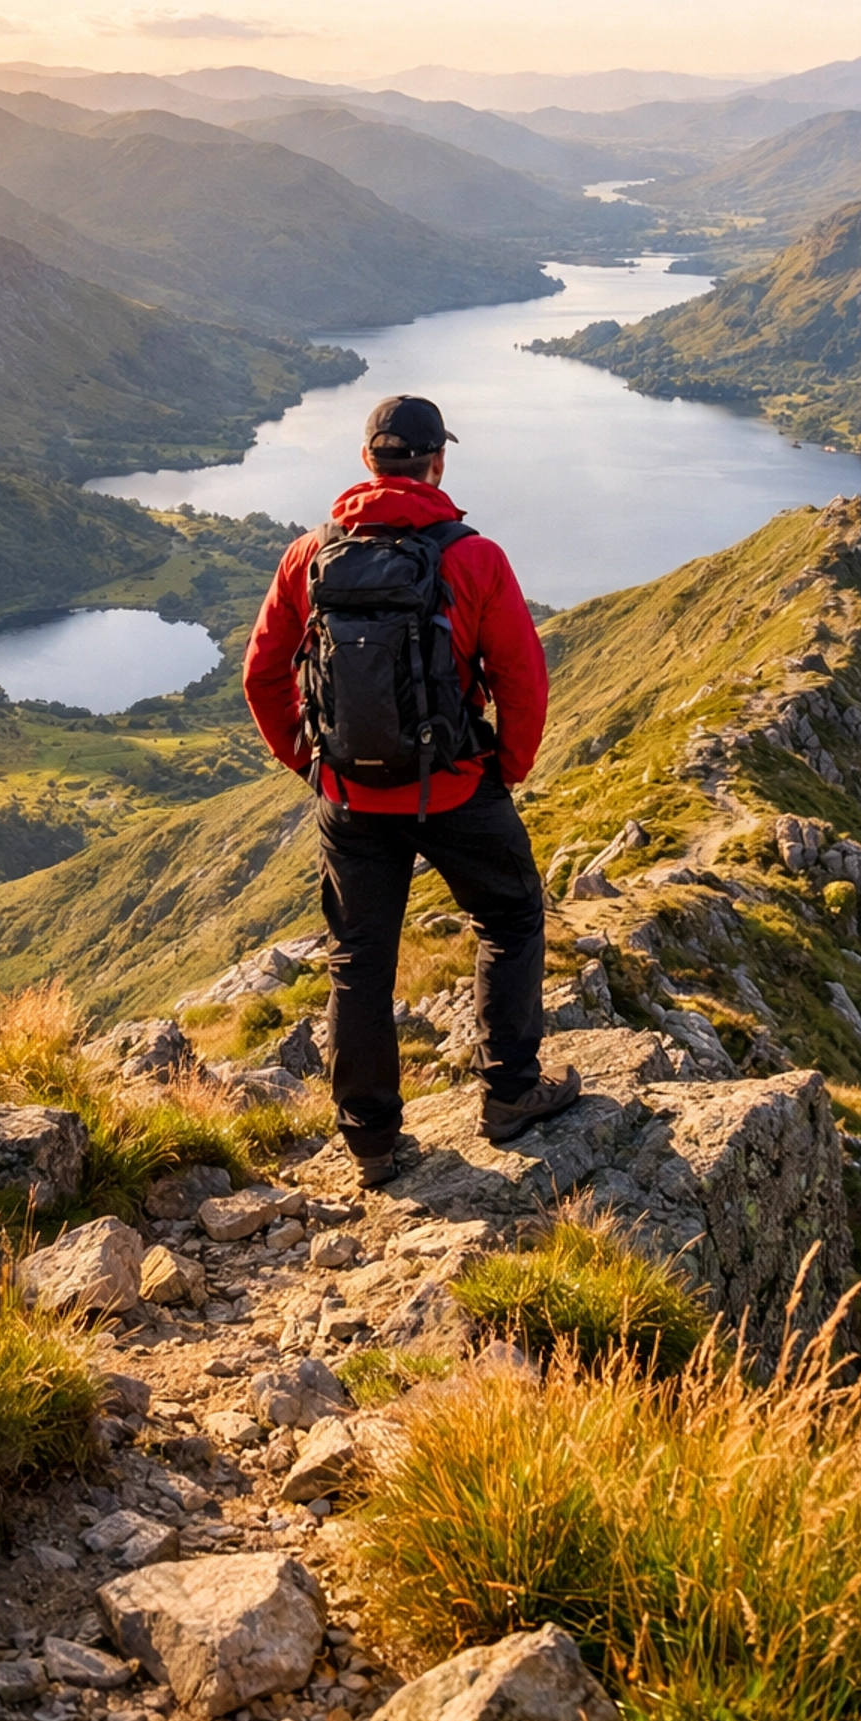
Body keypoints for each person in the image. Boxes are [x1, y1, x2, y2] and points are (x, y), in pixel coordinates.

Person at [243, 394, 579, 1187]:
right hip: (458, 787)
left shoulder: (308, 556)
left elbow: (262, 676)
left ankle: (370, 1142)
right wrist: (510, 768)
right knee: (509, 915)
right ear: (437, 463)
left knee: (359, 958)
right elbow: (522, 682)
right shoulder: (473, 558)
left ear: (367, 461)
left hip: (351, 799)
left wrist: (311, 764)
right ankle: (509, 1094)